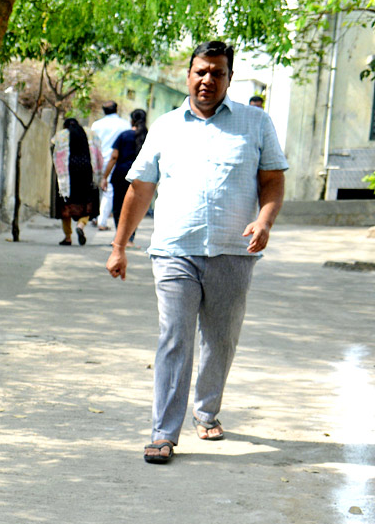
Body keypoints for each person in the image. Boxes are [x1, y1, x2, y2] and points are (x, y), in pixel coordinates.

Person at [105, 41, 287, 465]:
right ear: (188, 76)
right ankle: (164, 433)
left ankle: (206, 412)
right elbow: (140, 188)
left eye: (217, 73)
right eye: (201, 72)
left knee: (220, 340)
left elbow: (273, 182)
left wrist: (264, 222)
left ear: (229, 77)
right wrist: (119, 246)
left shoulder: (256, 122)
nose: (207, 80)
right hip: (174, 250)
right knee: (174, 337)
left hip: (233, 252)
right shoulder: (166, 126)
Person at [51, 117, 101, 245]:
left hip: (67, 174)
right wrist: (100, 174)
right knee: (86, 202)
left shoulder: (61, 135)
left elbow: (53, 148)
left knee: (66, 204)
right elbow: (99, 152)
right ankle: (80, 225)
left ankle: (68, 237)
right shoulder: (90, 133)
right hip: (86, 172)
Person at [100, 108, 148, 240]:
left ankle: (120, 236)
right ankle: (130, 238)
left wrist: (104, 177)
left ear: (132, 120)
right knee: (135, 207)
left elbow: (114, 157)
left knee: (119, 206)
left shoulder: (124, 135)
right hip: (140, 177)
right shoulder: (148, 137)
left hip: (121, 174)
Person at [91, 102, 131, 230]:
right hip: (114, 160)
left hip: (97, 160)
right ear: (116, 109)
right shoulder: (125, 125)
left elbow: (92, 143)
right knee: (108, 190)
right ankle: (101, 221)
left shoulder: (96, 125)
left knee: (97, 188)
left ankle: (96, 217)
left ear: (104, 110)